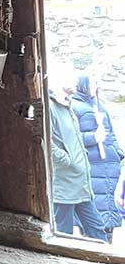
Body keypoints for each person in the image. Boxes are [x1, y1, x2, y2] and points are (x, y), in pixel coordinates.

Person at [48, 77, 108, 241]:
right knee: (64, 235)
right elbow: (44, 142)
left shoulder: (68, 105)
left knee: (98, 230)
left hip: (81, 184)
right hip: (65, 184)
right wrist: (68, 161)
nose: (75, 80)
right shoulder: (50, 107)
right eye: (69, 75)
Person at [70, 73, 125, 242]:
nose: (95, 86)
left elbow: (111, 134)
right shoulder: (73, 106)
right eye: (92, 82)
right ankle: (94, 239)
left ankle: (107, 239)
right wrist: (93, 137)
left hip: (109, 165)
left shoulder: (100, 107)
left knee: (109, 206)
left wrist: (117, 153)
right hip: (92, 165)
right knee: (95, 205)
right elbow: (71, 137)